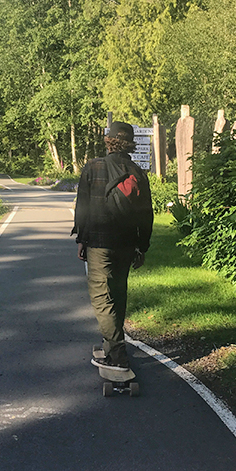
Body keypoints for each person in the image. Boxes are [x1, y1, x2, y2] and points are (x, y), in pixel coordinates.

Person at [72, 121, 154, 371]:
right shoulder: (137, 173)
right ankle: (112, 346)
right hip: (127, 243)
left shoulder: (92, 167)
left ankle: (117, 355)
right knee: (118, 294)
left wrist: (81, 240)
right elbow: (146, 214)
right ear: (129, 144)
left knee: (101, 298)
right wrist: (142, 246)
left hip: (99, 243)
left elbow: (82, 209)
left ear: (108, 141)